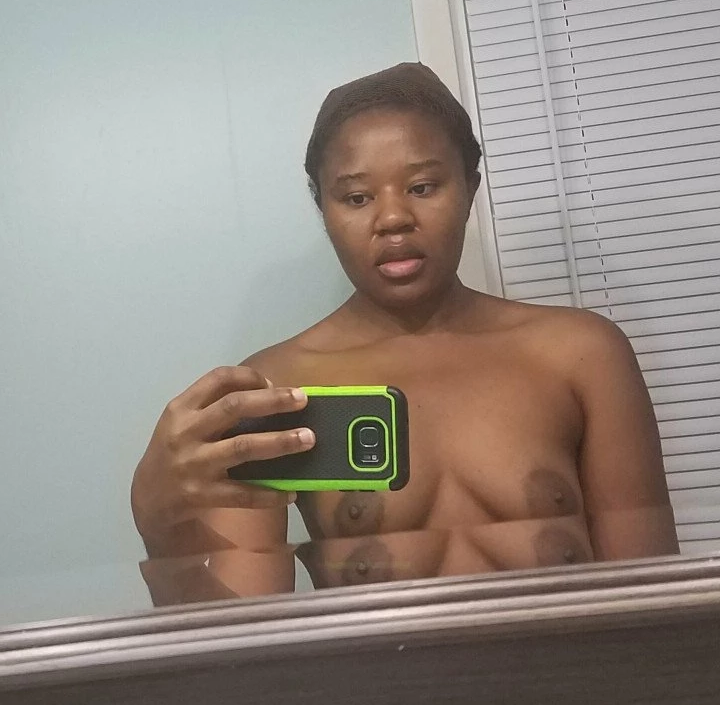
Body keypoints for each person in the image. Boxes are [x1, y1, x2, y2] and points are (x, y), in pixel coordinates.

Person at [130, 62, 677, 603]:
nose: (392, 218)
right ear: (322, 206)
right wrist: (160, 525)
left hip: (567, 663)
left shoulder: (580, 355)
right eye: (356, 197)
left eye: (422, 186)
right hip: (379, 667)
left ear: (470, 186)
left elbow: (650, 600)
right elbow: (243, 639)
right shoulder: (276, 387)